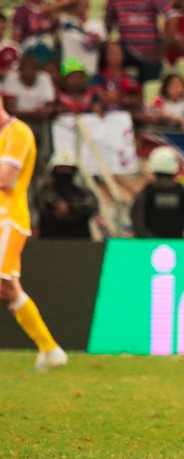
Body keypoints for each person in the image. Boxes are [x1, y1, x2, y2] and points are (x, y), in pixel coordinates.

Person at [0, 88, 67, 372]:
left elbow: (6, 178)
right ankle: (50, 350)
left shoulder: (18, 133)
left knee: (3, 283)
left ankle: (51, 350)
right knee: (8, 289)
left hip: (7, 220)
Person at [131, 146, 184, 239]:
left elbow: (137, 221)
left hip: (150, 249)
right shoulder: (183, 193)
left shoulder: (146, 192)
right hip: (177, 248)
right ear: (175, 169)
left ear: (153, 169)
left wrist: (148, 242)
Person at [105, 0, 177, 83]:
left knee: (151, 88)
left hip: (150, 54)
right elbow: (108, 21)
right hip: (126, 52)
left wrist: (165, 45)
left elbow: (172, 15)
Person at [35, 149, 98, 239]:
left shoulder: (82, 193)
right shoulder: (44, 192)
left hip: (79, 243)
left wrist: (71, 208)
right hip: (50, 243)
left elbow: (91, 205)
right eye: (61, 169)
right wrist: (55, 207)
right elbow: (43, 205)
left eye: (68, 169)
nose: (64, 173)